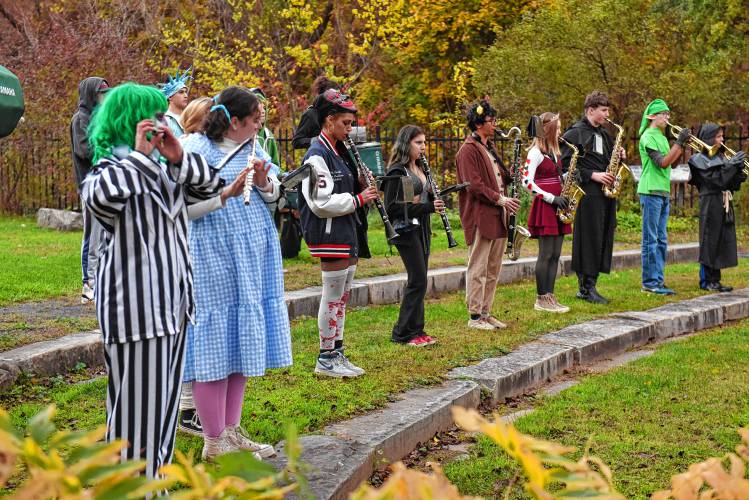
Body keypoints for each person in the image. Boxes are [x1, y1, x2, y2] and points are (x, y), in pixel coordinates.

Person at [82, 82, 227, 478]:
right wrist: (141, 156)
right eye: (156, 117)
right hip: (137, 310)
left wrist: (177, 156)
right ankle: (132, 484)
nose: (164, 124)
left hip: (174, 306)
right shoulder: (111, 167)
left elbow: (211, 185)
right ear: (131, 121)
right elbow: (99, 199)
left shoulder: (166, 167)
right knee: (135, 412)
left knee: (162, 410)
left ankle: (152, 480)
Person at [181, 86, 292, 460]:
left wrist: (262, 181)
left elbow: (275, 195)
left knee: (240, 339)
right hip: (212, 252)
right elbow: (181, 210)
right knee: (213, 343)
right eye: (255, 119)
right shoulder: (196, 150)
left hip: (252, 251)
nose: (260, 125)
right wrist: (224, 194)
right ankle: (213, 440)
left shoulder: (253, 148)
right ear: (235, 121)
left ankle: (231, 429)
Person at [298, 88, 379, 377]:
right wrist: (359, 199)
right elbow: (320, 203)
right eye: (345, 123)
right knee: (332, 295)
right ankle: (325, 357)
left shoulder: (339, 151)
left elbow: (343, 186)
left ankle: (338, 350)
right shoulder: (316, 154)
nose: (350, 129)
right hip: (329, 231)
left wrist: (360, 183)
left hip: (348, 228)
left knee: (343, 296)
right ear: (329, 120)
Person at [456, 100, 520, 330]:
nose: (495, 125)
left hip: (498, 214)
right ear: (479, 123)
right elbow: (474, 185)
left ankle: (486, 311)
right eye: (492, 121)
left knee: (493, 267)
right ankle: (474, 316)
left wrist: (510, 175)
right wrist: (500, 199)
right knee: (479, 266)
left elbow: (497, 177)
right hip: (481, 215)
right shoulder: (468, 150)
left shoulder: (488, 146)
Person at [381, 125, 445, 346]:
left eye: (424, 143)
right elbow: (394, 208)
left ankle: (417, 330)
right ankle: (402, 332)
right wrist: (428, 207)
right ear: (406, 144)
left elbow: (417, 202)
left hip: (422, 227)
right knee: (417, 279)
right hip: (405, 230)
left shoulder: (420, 169)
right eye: (418, 143)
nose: (423, 147)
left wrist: (432, 198)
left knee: (420, 280)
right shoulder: (398, 172)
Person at [561, 91, 622, 304]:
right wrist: (593, 175)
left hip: (605, 194)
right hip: (587, 194)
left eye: (607, 110)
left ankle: (593, 283)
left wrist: (618, 157)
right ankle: (585, 288)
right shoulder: (574, 133)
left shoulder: (605, 135)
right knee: (589, 239)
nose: (607, 114)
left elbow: (608, 162)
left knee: (602, 236)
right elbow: (566, 167)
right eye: (603, 110)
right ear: (590, 110)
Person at [637, 98, 690, 295]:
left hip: (663, 191)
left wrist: (681, 145)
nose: (667, 117)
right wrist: (679, 142)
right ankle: (649, 283)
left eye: (668, 113)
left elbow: (673, 163)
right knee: (650, 239)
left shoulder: (661, 136)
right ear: (652, 116)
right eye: (663, 114)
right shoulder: (648, 136)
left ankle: (658, 280)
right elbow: (662, 162)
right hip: (650, 191)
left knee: (661, 239)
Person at [687, 123, 747, 292]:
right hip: (710, 201)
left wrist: (739, 172)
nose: (722, 139)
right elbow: (715, 180)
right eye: (719, 136)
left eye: (722, 136)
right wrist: (731, 166)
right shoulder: (698, 159)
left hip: (722, 201)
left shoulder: (721, 158)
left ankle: (716, 279)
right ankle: (706, 280)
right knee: (709, 239)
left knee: (720, 240)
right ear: (709, 138)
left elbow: (729, 183)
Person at [522, 113, 571, 313]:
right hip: (546, 205)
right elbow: (526, 182)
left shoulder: (553, 151)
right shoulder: (535, 152)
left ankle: (550, 296)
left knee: (556, 254)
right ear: (549, 129)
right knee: (546, 253)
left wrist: (568, 176)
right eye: (558, 128)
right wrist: (551, 198)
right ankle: (541, 298)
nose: (560, 132)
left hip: (559, 205)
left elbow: (553, 176)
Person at [70, 76, 109, 304]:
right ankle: (88, 283)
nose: (104, 97)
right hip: (90, 184)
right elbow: (85, 151)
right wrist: (106, 148)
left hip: (106, 184)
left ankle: (101, 280)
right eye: (100, 93)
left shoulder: (101, 118)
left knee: (104, 235)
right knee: (92, 236)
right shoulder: (80, 120)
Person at [291, 75, 340, 150]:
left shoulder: (337, 114)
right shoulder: (311, 114)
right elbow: (296, 142)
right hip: (318, 157)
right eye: (334, 96)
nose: (338, 99)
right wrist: (319, 140)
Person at [160, 67, 192, 137]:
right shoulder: (165, 121)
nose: (186, 95)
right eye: (181, 92)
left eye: (186, 92)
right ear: (170, 96)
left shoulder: (190, 118)